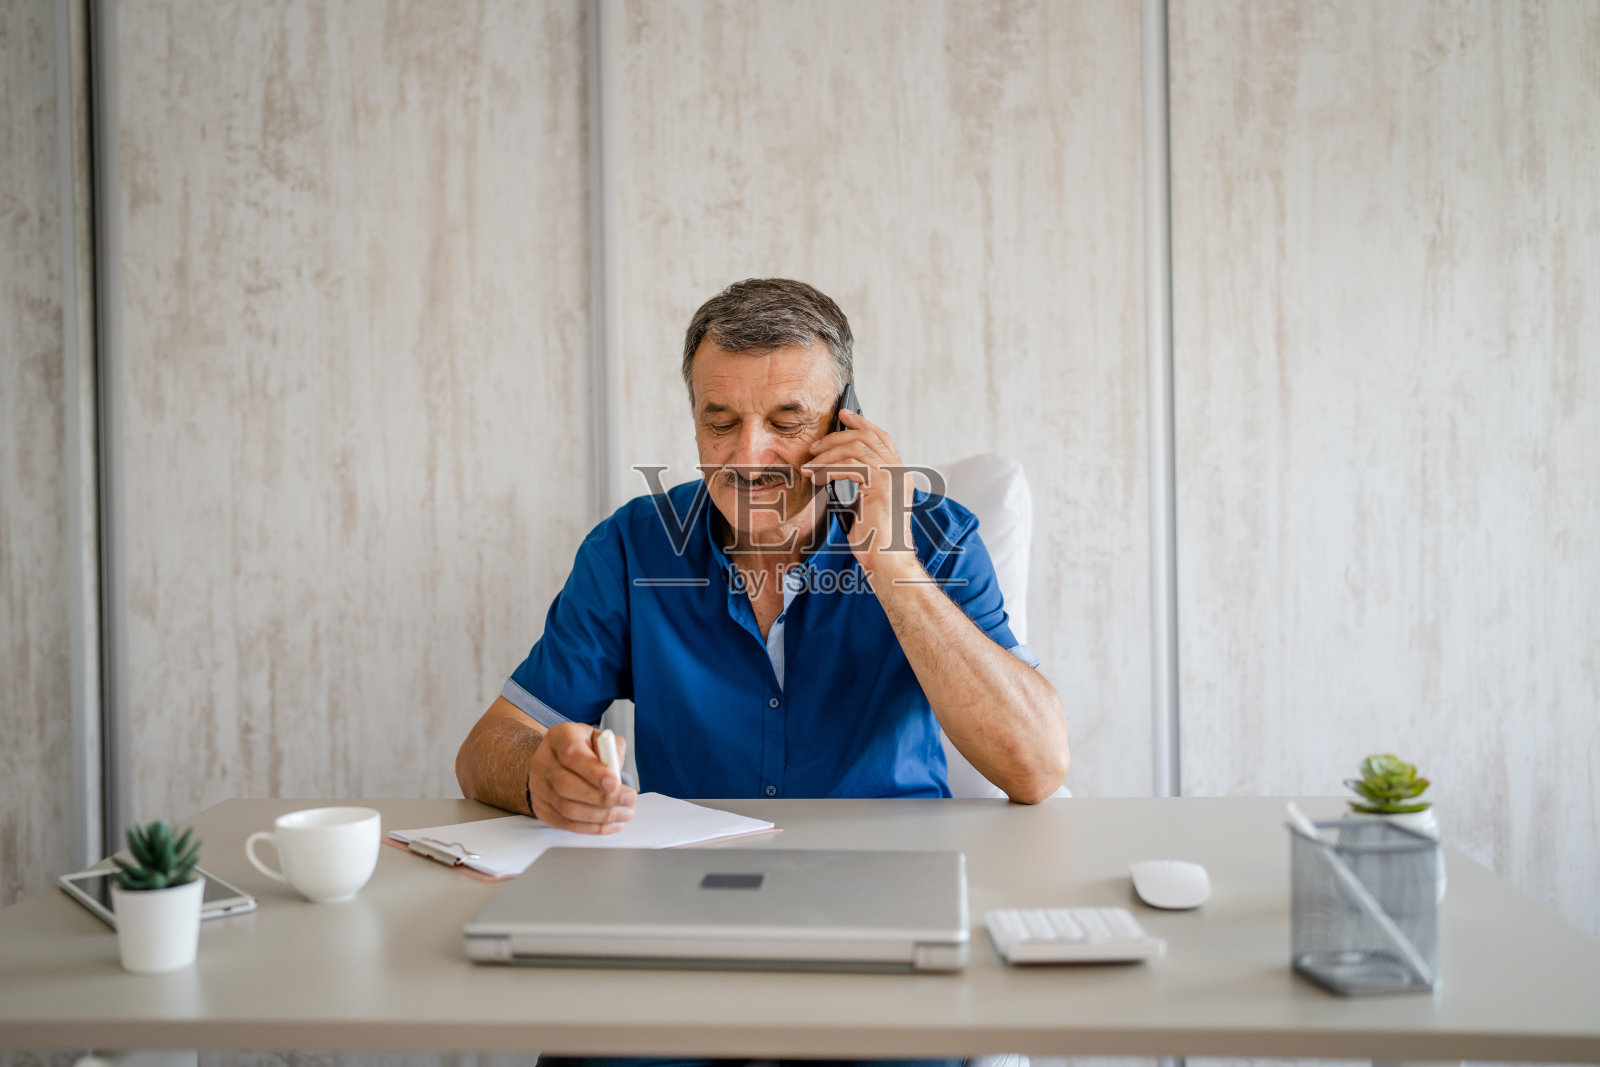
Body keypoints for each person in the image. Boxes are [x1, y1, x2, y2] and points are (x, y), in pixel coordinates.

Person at [456, 277, 1068, 831]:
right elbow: (488, 747)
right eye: (720, 423)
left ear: (844, 422)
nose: (747, 456)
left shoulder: (939, 538)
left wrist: (894, 566)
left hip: (890, 875)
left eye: (786, 422)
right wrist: (540, 775)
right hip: (691, 884)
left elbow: (1037, 769)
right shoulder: (631, 547)